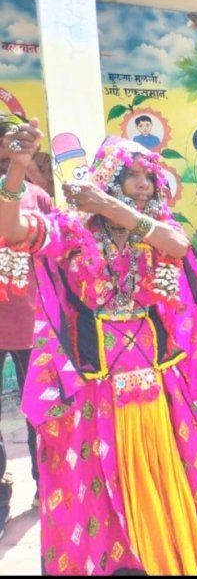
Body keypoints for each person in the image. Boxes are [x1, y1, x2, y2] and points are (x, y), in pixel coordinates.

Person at [0, 121, 197, 575]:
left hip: (157, 384)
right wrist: (18, 170)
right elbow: (15, 230)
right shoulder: (74, 233)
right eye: (134, 174)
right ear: (109, 177)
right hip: (99, 391)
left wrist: (113, 207)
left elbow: (176, 245)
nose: (145, 183)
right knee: (100, 488)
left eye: (149, 176)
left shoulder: (155, 232)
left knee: (177, 479)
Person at [0, 142, 52, 539]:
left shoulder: (36, 196)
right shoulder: (33, 193)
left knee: (39, 408)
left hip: (29, 321)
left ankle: (45, 486)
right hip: (21, 319)